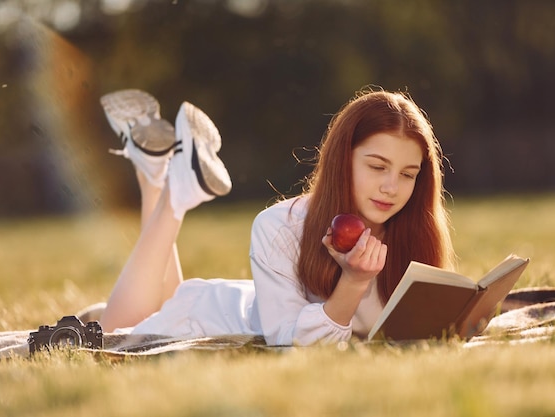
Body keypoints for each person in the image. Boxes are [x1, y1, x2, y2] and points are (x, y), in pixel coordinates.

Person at [96, 87, 456, 346]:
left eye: (408, 174)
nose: (391, 187)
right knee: (111, 336)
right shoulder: (280, 226)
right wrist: (354, 281)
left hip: (237, 299)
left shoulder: (413, 231)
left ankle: (153, 172)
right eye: (378, 166)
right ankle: (175, 192)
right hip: (202, 318)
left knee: (159, 296)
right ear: (341, 159)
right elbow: (291, 344)